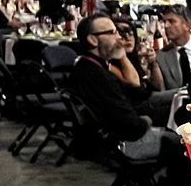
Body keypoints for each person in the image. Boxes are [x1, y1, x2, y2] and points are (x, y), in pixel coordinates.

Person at [71, 13, 171, 161]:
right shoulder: (96, 74)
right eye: (112, 32)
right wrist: (149, 120)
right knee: (186, 141)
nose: (119, 37)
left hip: (114, 134)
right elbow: (131, 125)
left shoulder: (88, 65)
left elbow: (137, 92)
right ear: (92, 40)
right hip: (121, 143)